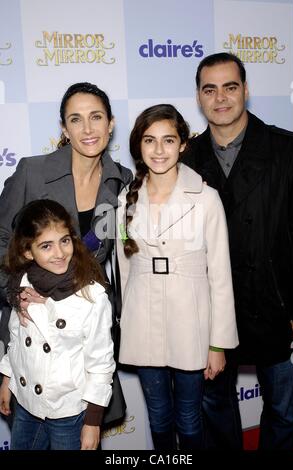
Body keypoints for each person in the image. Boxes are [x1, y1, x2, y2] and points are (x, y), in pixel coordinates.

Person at [183, 52, 293, 450]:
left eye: (230, 87)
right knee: (214, 408)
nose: (220, 98)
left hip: (278, 306)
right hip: (210, 313)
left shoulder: (290, 151)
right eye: (209, 89)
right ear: (199, 98)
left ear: (246, 91)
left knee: (284, 410)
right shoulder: (183, 160)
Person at [0, 82, 132, 424]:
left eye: (96, 117)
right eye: (76, 119)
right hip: (35, 331)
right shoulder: (32, 171)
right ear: (64, 128)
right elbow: (2, 240)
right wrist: (14, 293)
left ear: (111, 123)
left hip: (82, 336)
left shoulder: (120, 181)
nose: (87, 129)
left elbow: (110, 253)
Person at [113, 104, 239, 450]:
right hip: (144, 321)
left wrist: (218, 344)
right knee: (158, 416)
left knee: (189, 417)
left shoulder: (206, 197)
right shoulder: (126, 199)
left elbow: (221, 276)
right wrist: (128, 321)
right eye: (149, 140)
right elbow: (125, 269)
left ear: (183, 144)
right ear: (138, 145)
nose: (158, 150)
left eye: (168, 140)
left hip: (191, 323)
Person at [0, 199, 115, 450]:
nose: (60, 253)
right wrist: (7, 378)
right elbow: (16, 340)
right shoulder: (21, 285)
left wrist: (93, 421)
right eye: (46, 246)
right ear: (28, 252)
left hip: (68, 411)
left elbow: (101, 363)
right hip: (27, 402)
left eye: (64, 241)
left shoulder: (91, 296)